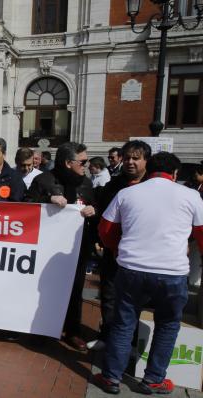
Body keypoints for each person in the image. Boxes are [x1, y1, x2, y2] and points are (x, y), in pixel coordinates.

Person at [93, 152, 203, 395]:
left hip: (132, 268)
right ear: (175, 174)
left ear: (148, 169)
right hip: (172, 272)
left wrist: (115, 248)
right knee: (168, 324)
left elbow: (106, 229)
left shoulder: (127, 193)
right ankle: (153, 379)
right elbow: (202, 233)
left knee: (123, 323)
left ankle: (111, 377)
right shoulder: (191, 195)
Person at [27, 142, 96, 351]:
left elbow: (94, 205)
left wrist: (94, 209)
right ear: (68, 162)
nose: (86, 165)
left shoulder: (86, 183)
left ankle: (72, 331)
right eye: (82, 161)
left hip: (76, 248)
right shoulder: (43, 180)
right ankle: (42, 328)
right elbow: (27, 206)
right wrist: (48, 199)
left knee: (75, 290)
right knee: (44, 290)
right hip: (47, 249)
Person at [88, 140, 152, 352]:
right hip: (113, 251)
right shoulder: (114, 185)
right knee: (109, 295)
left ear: (146, 160)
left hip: (144, 254)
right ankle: (106, 336)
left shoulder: (153, 184)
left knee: (136, 300)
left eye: (136, 158)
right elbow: (102, 211)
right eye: (127, 158)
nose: (130, 162)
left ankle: (131, 342)